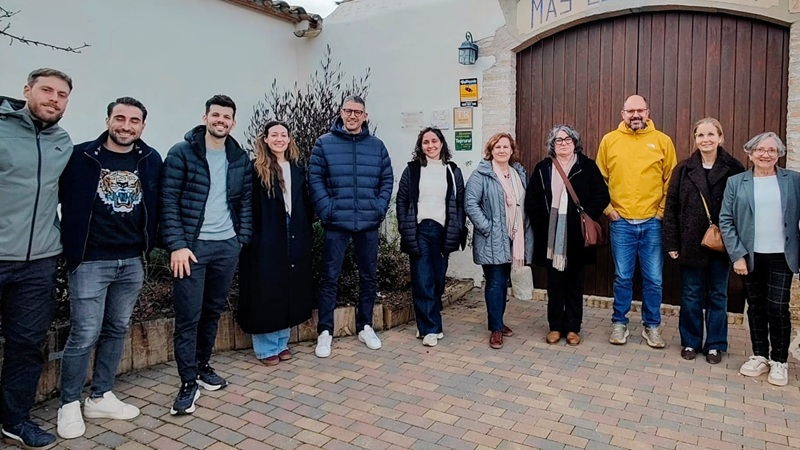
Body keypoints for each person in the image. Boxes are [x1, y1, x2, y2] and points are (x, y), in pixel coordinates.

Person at [56, 97, 162, 439]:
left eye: (134, 120)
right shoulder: (80, 157)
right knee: (84, 333)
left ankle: (100, 396)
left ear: (142, 125)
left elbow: (157, 204)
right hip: (90, 260)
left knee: (117, 328)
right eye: (120, 118)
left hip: (132, 260)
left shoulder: (150, 159)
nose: (126, 126)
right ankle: (69, 404)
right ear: (108, 120)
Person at [160, 95, 252, 415]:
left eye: (226, 117)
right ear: (205, 117)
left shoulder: (239, 157)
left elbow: (246, 202)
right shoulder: (181, 153)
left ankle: (202, 366)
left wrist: (240, 239)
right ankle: (187, 382)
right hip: (192, 248)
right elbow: (168, 202)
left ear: (233, 123)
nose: (221, 121)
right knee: (188, 316)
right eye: (216, 115)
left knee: (212, 311)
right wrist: (177, 245)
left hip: (226, 246)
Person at [0, 68, 73, 450]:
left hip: (39, 261)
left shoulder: (62, 141)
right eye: (47, 90)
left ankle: (15, 420)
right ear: (27, 90)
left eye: (62, 95)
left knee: (27, 345)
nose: (53, 99)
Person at [308, 95, 393, 358]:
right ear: (341, 113)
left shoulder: (377, 146)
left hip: (368, 222)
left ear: (365, 116)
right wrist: (328, 210)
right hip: (337, 223)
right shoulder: (324, 144)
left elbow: (387, 179)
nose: (352, 116)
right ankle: (325, 331)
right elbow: (315, 179)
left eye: (358, 112)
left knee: (368, 276)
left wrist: (378, 208)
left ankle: (365, 326)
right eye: (348, 111)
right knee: (329, 277)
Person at [719, 132, 800, 386]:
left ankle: (779, 361)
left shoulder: (793, 180)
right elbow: (726, 220)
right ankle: (760, 355)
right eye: (760, 150)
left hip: (782, 255)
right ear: (750, 153)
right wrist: (737, 255)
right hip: (750, 256)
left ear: (779, 154)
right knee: (755, 307)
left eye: (772, 150)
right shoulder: (736, 182)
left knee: (777, 307)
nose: (766, 154)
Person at [596, 94, 677, 348]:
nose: (635, 115)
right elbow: (599, 179)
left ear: (647, 112)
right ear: (623, 114)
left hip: (652, 222)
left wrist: (660, 212)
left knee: (654, 279)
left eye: (640, 110)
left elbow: (671, 181)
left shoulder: (662, 141)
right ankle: (619, 323)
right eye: (630, 111)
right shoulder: (610, 141)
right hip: (621, 222)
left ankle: (652, 326)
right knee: (622, 277)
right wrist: (609, 210)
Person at [662, 118, 744, 365]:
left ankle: (715, 344)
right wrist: (672, 243)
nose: (705, 140)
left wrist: (738, 246)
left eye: (710, 134)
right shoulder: (683, 169)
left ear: (720, 138)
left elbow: (742, 209)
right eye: (700, 135)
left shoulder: (734, 169)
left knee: (718, 295)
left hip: (721, 243)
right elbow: (671, 207)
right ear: (695, 139)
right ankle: (691, 341)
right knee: (691, 295)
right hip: (690, 242)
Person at [237, 121, 313, 365]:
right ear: (266, 139)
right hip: (266, 234)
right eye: (274, 135)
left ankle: (282, 342)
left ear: (289, 140)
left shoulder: (297, 168)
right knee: (267, 288)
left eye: (283, 135)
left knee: (288, 286)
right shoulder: (255, 169)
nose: (279, 139)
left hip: (293, 231)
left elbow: (304, 202)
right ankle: (266, 347)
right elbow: (246, 204)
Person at [526, 125, 609, 346]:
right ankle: (555, 327)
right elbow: (532, 199)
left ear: (575, 143)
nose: (563, 143)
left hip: (576, 236)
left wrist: (584, 216)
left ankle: (573, 328)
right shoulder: (543, 168)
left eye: (567, 139)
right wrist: (542, 223)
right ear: (552, 145)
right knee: (554, 283)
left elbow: (602, 196)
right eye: (558, 140)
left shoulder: (587, 166)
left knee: (575, 283)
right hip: (551, 236)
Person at [396, 127, 466, 347]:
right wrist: (405, 227)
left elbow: (460, 203)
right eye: (426, 142)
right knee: (422, 278)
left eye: (434, 141)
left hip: (442, 232)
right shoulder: (412, 170)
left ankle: (426, 322)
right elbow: (402, 201)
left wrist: (457, 228)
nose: (430, 145)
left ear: (441, 143)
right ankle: (430, 328)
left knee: (437, 280)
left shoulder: (453, 171)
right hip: (419, 230)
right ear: (421, 146)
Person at [465, 132, 533, 350]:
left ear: (512, 150)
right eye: (497, 147)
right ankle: (495, 328)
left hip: (514, 237)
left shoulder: (518, 174)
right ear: (490, 151)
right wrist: (488, 227)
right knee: (495, 282)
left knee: (504, 282)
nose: (502, 150)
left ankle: (499, 321)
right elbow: (470, 204)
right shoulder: (481, 175)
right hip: (492, 239)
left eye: (505, 147)